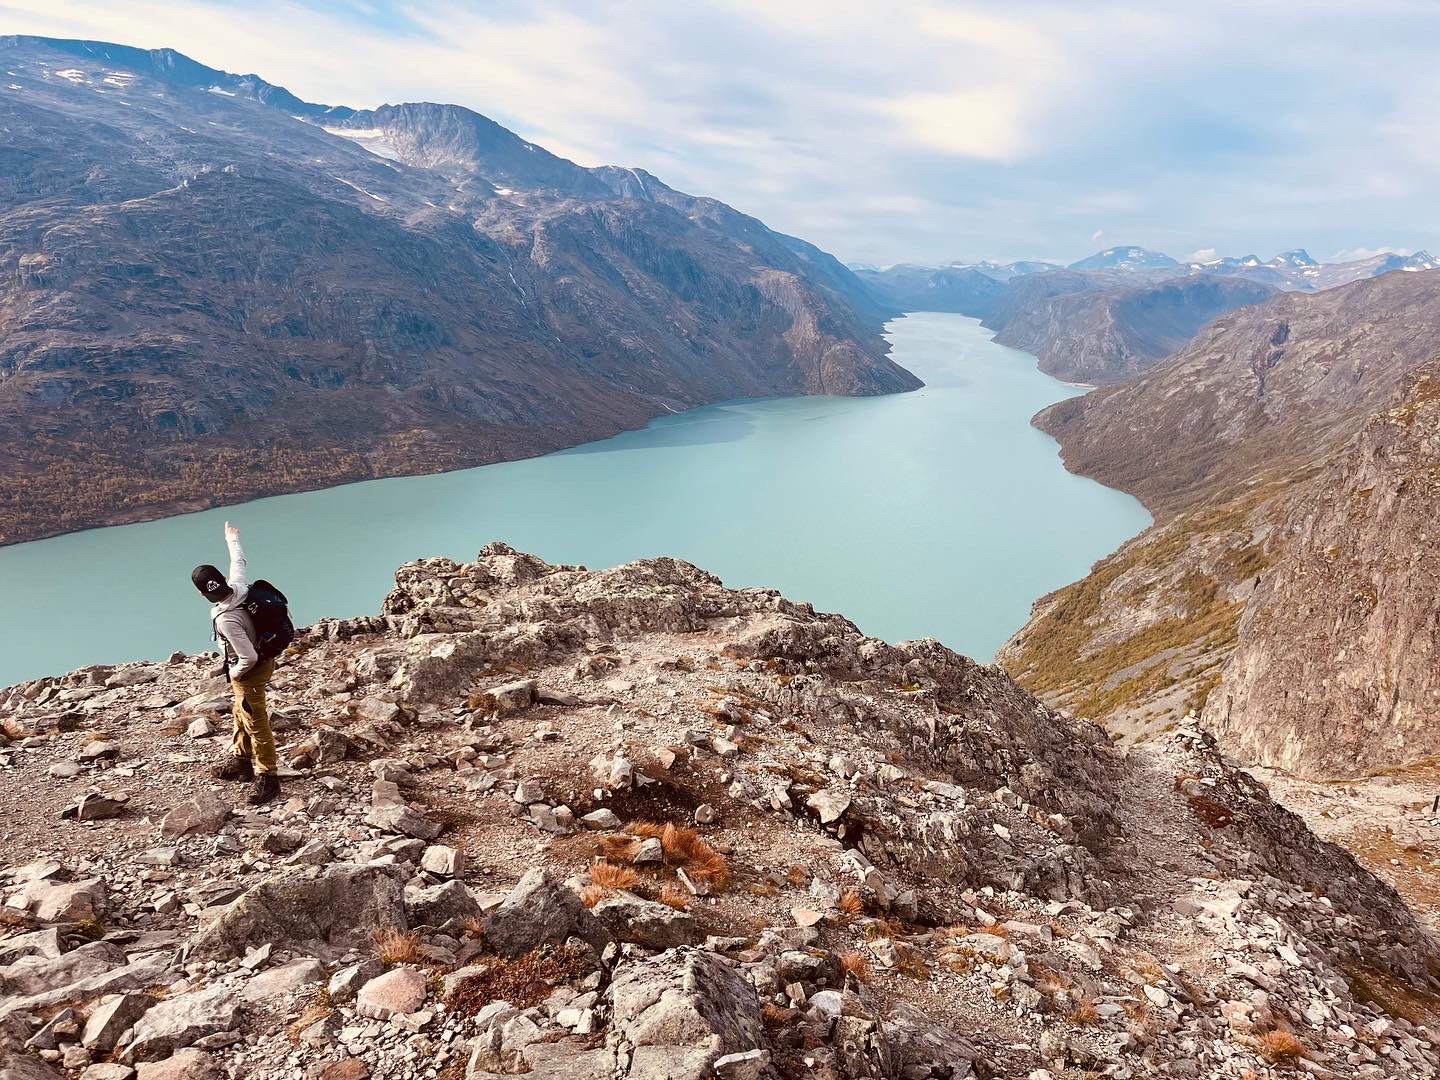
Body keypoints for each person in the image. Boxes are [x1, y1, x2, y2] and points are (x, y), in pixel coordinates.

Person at [191, 521, 280, 805]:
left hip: (251, 670)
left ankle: (268, 777)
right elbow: (239, 561)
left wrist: (234, 673)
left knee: (256, 721)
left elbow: (248, 657)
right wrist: (232, 538)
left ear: (202, 593)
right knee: (241, 712)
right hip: (264, 659)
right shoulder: (240, 587)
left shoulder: (226, 618)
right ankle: (240, 761)